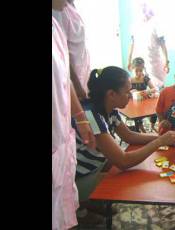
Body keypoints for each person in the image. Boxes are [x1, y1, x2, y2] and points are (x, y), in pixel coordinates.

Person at [73, 66, 175, 224]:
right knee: (124, 177)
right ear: (111, 94)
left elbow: (129, 136)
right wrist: (159, 142)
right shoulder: (92, 117)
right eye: (127, 92)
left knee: (129, 163)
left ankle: (90, 202)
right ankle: (80, 207)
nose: (130, 96)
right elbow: (123, 161)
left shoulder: (109, 109)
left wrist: (161, 137)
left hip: (93, 165)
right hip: (76, 181)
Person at [52, 0, 96, 229]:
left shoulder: (56, 23)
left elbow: (64, 75)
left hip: (62, 131)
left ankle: (81, 207)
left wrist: (80, 117)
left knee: (63, 187)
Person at [52, 0, 91, 101]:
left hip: (81, 75)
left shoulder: (69, 5)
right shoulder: (57, 9)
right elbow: (61, 54)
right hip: (71, 81)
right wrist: (76, 85)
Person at [128, 2, 170, 88]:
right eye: (140, 7)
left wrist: (166, 61)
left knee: (156, 87)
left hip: (154, 62)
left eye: (144, 7)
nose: (142, 10)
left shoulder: (155, 23)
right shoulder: (135, 25)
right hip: (140, 61)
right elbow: (132, 43)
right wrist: (129, 60)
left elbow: (162, 43)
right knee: (140, 87)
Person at [130, 57, 158, 133]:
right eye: (136, 71)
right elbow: (125, 93)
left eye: (141, 70)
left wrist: (147, 91)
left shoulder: (145, 78)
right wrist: (131, 92)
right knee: (137, 115)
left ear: (143, 69)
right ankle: (141, 128)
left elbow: (154, 89)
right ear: (132, 68)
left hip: (145, 101)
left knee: (154, 111)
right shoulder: (130, 80)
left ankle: (152, 126)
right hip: (134, 104)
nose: (139, 73)